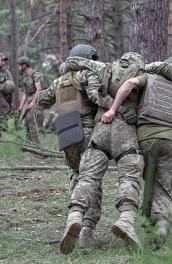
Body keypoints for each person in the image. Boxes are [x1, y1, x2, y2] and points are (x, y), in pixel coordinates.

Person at [60, 52, 172, 254]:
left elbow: (75, 67)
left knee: (88, 177)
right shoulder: (147, 75)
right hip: (127, 133)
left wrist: (110, 107)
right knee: (129, 178)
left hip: (101, 128)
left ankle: (75, 216)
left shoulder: (104, 69)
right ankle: (126, 220)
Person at [100, 56, 172, 249]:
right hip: (170, 141)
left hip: (145, 139)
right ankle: (159, 230)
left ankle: (143, 224)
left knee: (149, 183)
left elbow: (129, 84)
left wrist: (113, 109)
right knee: (163, 188)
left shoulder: (148, 78)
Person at [38, 44, 105, 251]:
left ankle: (72, 219)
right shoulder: (87, 76)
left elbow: (42, 101)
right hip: (86, 132)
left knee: (76, 175)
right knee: (91, 179)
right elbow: (97, 98)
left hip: (66, 133)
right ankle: (86, 230)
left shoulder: (59, 81)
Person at [17, 56, 49, 144]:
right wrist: (21, 105)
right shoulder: (25, 77)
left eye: (20, 65)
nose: (19, 67)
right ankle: (29, 144)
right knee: (27, 122)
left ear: (24, 65)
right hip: (30, 101)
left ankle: (37, 145)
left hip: (38, 101)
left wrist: (33, 102)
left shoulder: (35, 74)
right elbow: (25, 93)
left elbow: (38, 88)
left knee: (32, 121)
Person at [0, 52, 16, 137]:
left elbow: (11, 85)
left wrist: (11, 100)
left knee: (6, 109)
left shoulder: (6, 71)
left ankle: (3, 131)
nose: (3, 62)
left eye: (4, 61)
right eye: (2, 60)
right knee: (5, 108)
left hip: (4, 96)